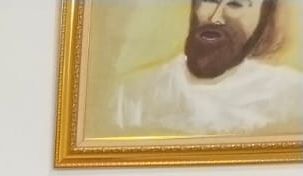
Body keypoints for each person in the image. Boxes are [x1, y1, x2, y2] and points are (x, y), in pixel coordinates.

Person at [113, 0, 303, 136]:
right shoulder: (134, 94)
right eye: (209, 0)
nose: (215, 18)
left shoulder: (290, 94)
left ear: (263, 17)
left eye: (235, 4)